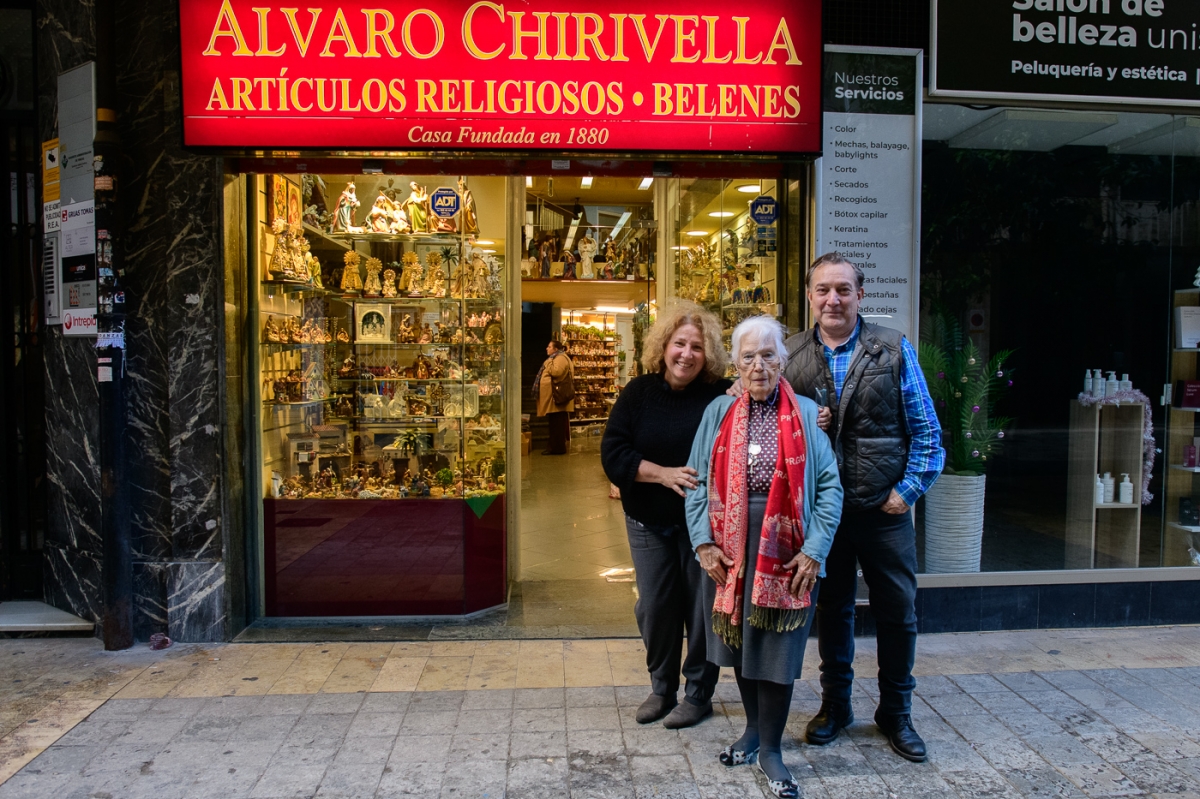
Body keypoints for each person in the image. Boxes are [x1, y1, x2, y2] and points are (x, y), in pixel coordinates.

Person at [782, 252, 944, 763]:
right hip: (825, 516)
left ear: (860, 296)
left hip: (884, 510)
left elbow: (928, 435)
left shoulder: (892, 349)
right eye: (823, 290)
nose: (833, 299)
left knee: (898, 613)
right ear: (809, 296)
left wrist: (908, 491)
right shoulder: (788, 355)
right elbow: (773, 430)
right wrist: (811, 428)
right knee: (833, 612)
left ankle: (896, 712)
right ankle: (837, 707)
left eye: (843, 290)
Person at [688, 315, 842, 798]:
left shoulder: (805, 411)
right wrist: (703, 542)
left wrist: (815, 551)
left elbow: (829, 488)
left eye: (768, 355)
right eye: (748, 356)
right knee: (739, 643)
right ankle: (754, 732)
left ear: (784, 359)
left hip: (786, 553)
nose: (759, 365)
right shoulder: (718, 411)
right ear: (735, 362)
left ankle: (772, 749)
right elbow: (696, 481)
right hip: (730, 549)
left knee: (777, 650)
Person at [600, 302, 731, 729]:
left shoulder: (723, 394)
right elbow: (614, 452)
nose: (686, 354)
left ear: (707, 354)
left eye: (697, 346)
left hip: (704, 530)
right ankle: (661, 688)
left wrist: (816, 413)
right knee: (656, 606)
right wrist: (662, 475)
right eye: (679, 344)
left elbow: (771, 398)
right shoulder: (638, 392)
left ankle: (697, 694)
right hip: (648, 522)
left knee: (701, 610)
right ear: (663, 347)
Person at [535, 340, 574, 455]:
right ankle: (554, 447)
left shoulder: (560, 358)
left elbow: (557, 372)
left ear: (555, 349)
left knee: (557, 423)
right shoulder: (557, 357)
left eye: (549, 346)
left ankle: (557, 448)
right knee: (555, 423)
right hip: (555, 397)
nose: (547, 348)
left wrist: (547, 363)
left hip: (557, 396)